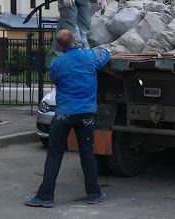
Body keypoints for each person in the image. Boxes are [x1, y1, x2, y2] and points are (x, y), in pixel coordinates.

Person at [25, 29, 112, 208]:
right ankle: (94, 193)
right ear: (75, 40)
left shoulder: (57, 63)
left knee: (54, 154)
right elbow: (105, 55)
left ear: (58, 45)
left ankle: (45, 196)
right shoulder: (89, 57)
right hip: (85, 114)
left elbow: (55, 78)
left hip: (63, 114)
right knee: (87, 153)